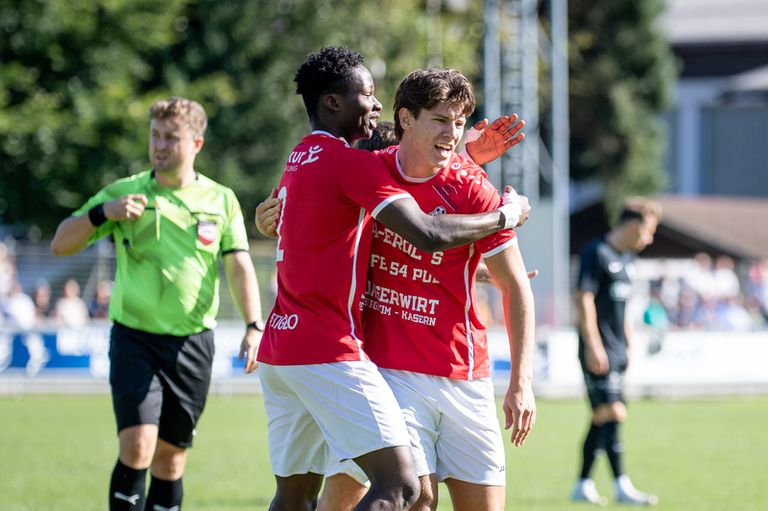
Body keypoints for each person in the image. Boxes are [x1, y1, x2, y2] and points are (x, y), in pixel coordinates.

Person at [252, 47, 528, 511]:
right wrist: (507, 213)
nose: (374, 104)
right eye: (367, 94)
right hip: (335, 351)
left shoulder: (301, 157)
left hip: (286, 346)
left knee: (295, 495)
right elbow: (428, 232)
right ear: (334, 102)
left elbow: (408, 173)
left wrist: (465, 159)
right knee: (402, 489)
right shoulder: (354, 167)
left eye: (457, 121)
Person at [50, 96, 265, 511]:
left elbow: (239, 266)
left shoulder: (220, 200)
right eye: (155, 136)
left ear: (197, 143)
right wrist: (102, 213)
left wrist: (253, 325)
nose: (160, 145)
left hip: (192, 344)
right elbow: (61, 243)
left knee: (170, 459)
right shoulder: (125, 192)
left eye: (172, 137)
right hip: (135, 339)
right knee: (138, 444)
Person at [571, 197, 663, 506]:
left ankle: (582, 484)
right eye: (648, 231)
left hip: (618, 351)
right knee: (614, 412)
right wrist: (594, 345)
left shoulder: (627, 261)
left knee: (601, 416)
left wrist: (628, 342)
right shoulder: (596, 252)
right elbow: (584, 299)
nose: (648, 239)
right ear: (634, 225)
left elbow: (623, 308)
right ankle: (622, 486)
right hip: (598, 350)